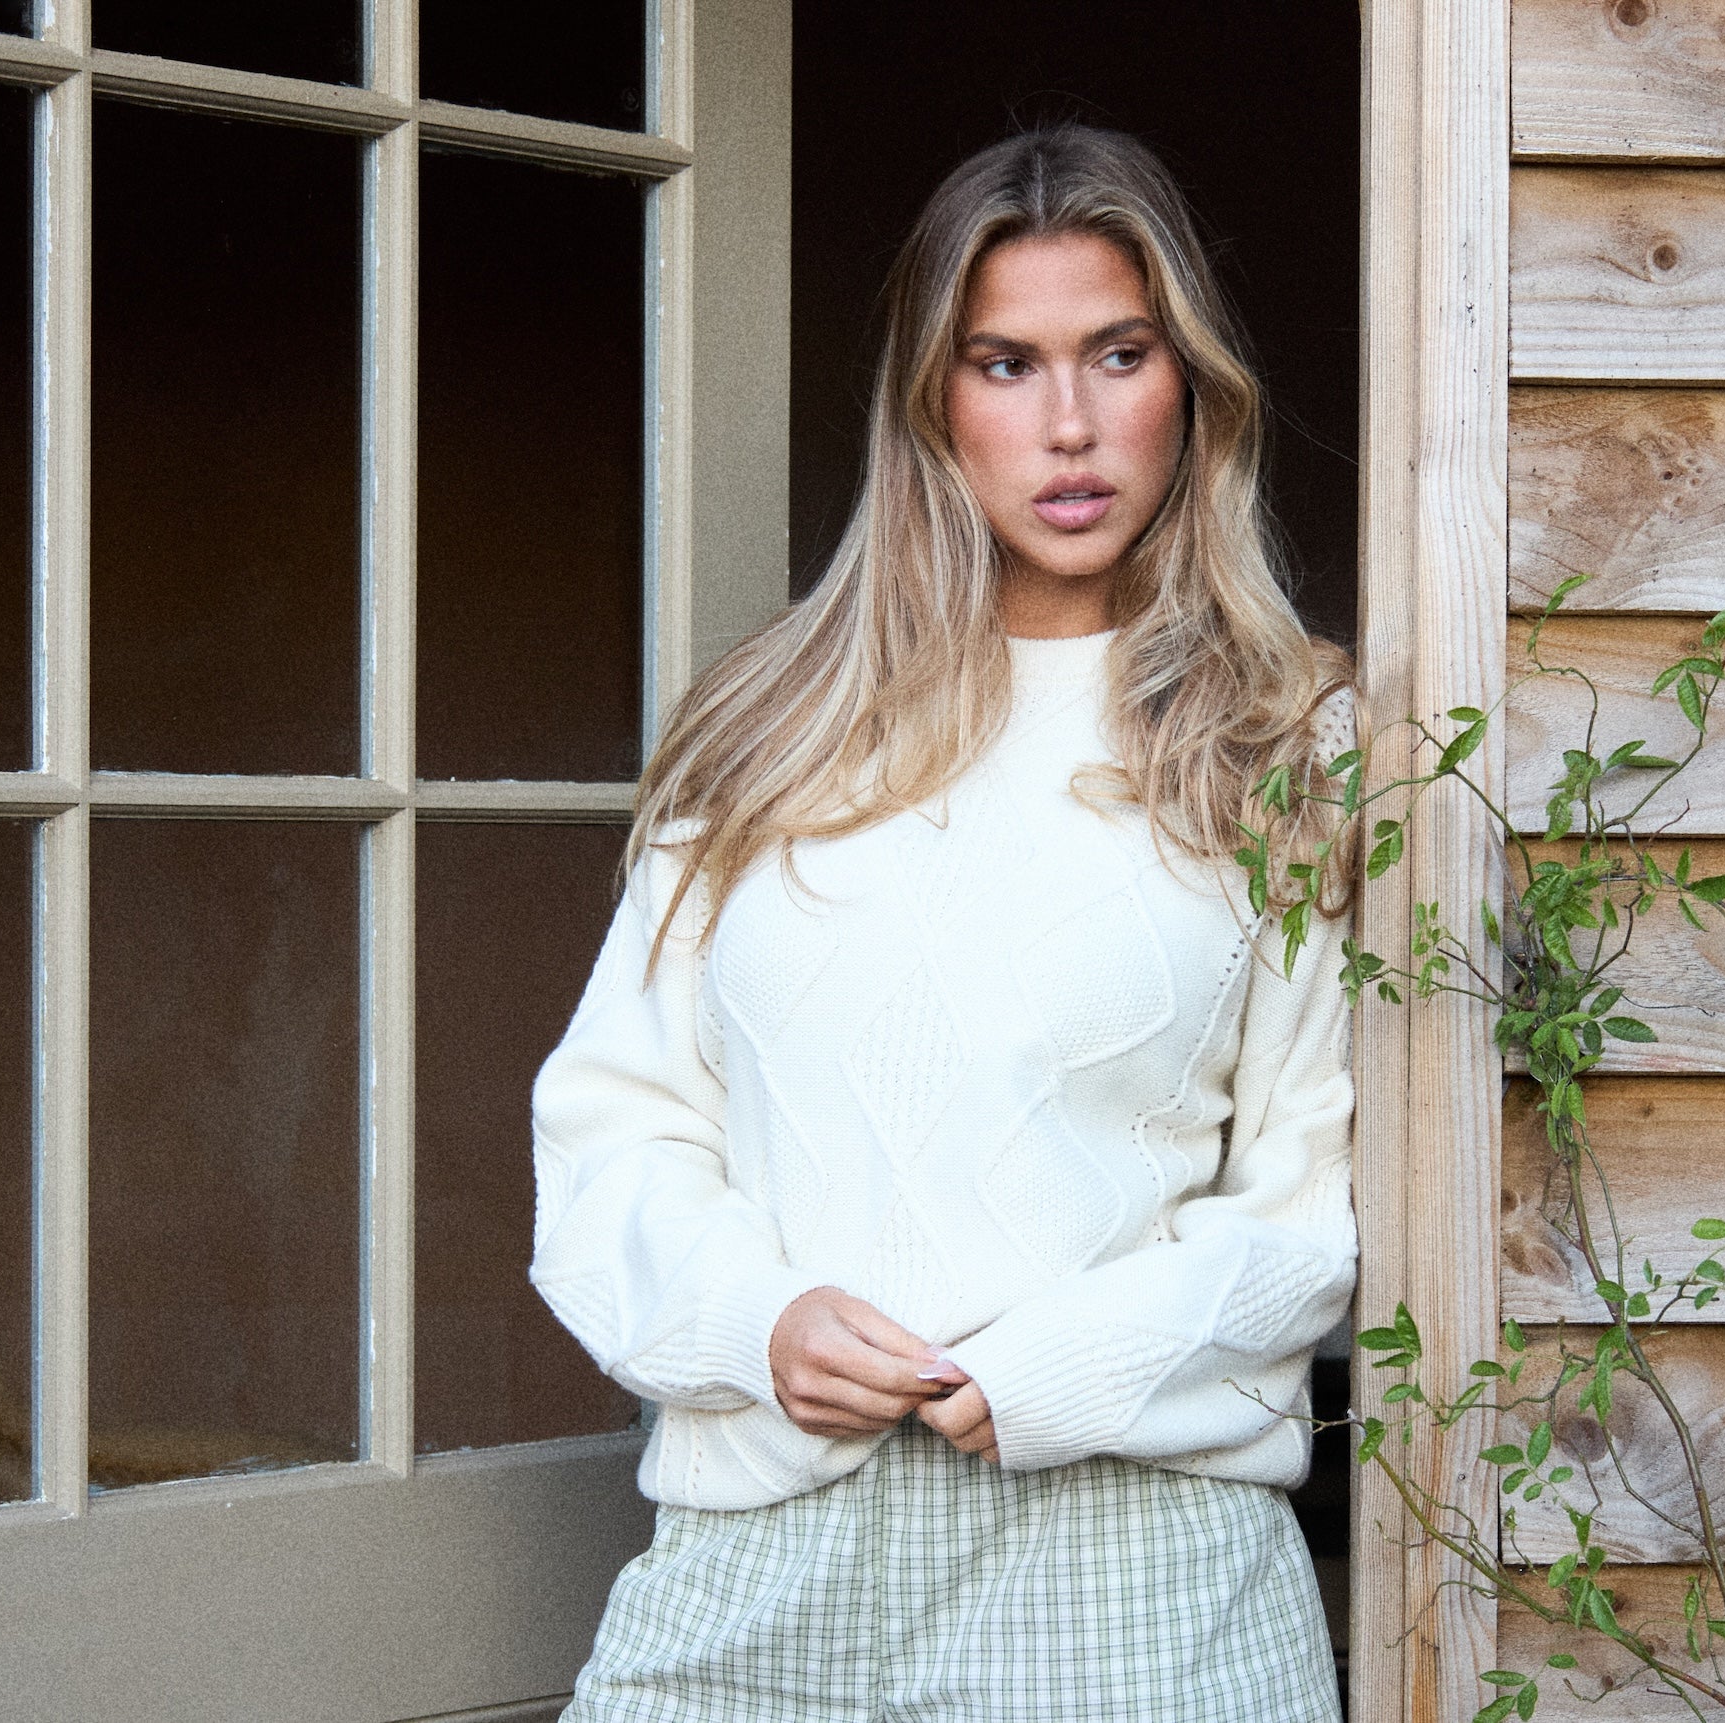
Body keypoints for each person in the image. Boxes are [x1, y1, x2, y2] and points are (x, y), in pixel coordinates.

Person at [525, 123, 1357, 1722]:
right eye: (1005, 363)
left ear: (1188, 385)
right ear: (932, 401)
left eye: (1119, 356)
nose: (1070, 425)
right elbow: (612, 1134)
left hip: (1147, 1572)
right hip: (768, 1546)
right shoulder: (764, 737)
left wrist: (1068, 1367)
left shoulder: (1287, 744)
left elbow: (1314, 1202)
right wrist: (755, 1322)